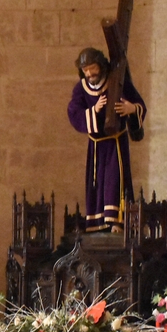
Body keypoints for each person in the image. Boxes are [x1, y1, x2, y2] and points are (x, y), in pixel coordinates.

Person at [67, 47, 146, 233]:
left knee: (115, 180)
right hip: (96, 145)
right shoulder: (81, 88)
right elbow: (73, 113)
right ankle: (97, 224)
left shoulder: (117, 81)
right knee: (96, 183)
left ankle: (117, 222)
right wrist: (93, 111)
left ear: (101, 66)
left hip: (116, 143)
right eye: (85, 70)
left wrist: (132, 109)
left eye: (92, 68)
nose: (89, 74)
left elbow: (139, 103)